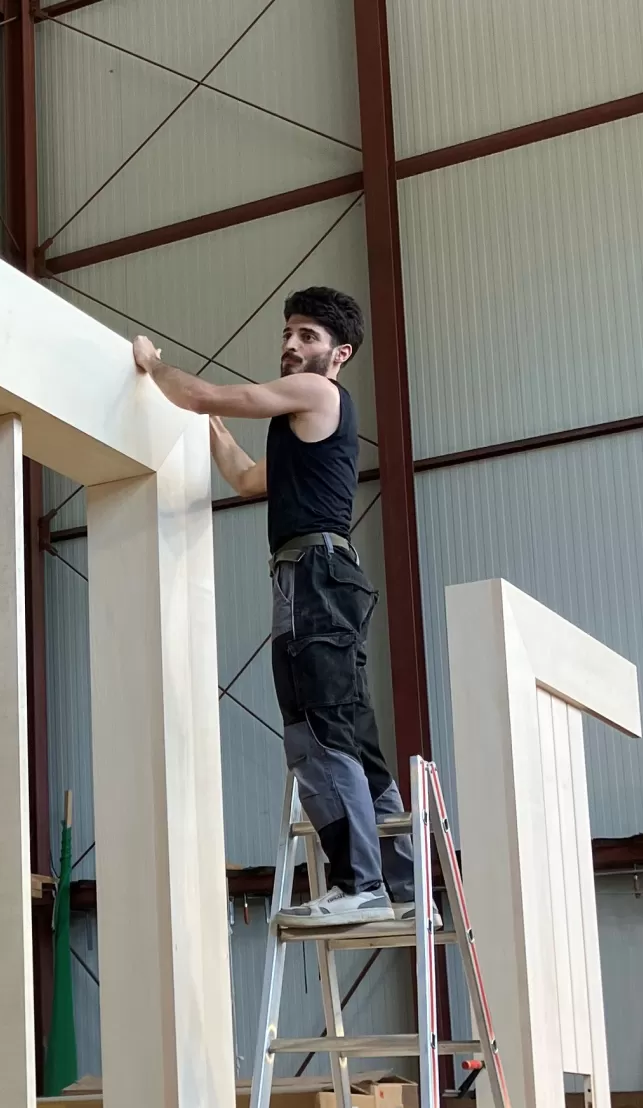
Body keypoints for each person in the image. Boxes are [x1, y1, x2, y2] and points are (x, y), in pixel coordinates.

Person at [133, 287, 418, 927]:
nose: (291, 345)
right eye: (289, 333)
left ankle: (359, 884)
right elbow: (246, 480)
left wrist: (156, 368)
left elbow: (207, 391)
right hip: (320, 575)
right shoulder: (301, 424)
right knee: (350, 731)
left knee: (316, 730)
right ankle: (401, 887)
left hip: (312, 575)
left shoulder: (320, 394)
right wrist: (212, 429)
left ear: (339, 354)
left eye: (308, 337)